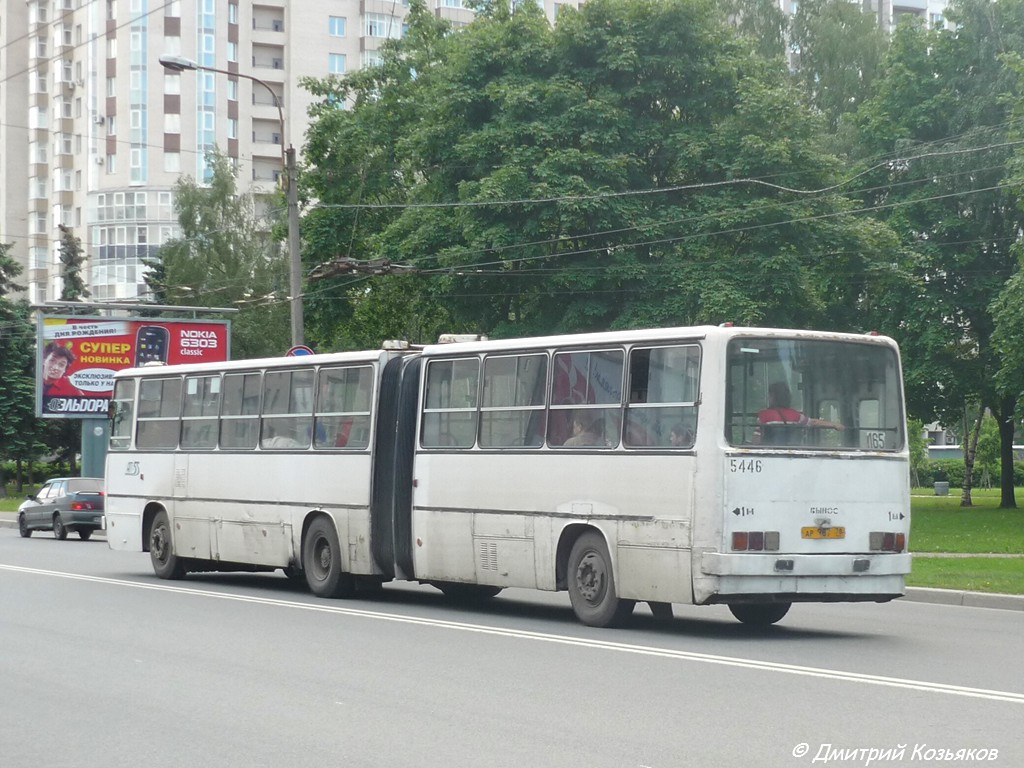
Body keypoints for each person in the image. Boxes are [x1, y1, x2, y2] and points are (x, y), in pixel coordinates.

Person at [758, 381, 843, 431]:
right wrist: (834, 424)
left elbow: (756, 440)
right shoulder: (795, 415)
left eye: (769, 395)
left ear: (773, 397)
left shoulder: (763, 416)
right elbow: (814, 422)